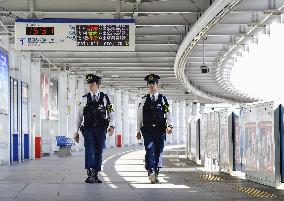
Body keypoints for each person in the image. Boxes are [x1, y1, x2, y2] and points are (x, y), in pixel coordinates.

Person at [74, 74, 115, 183]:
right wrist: (76, 131)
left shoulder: (105, 99)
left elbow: (111, 114)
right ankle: (90, 172)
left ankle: (95, 173)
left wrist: (112, 126)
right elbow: (79, 116)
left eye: (92, 84)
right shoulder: (84, 99)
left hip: (101, 130)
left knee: (99, 150)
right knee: (89, 150)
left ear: (98, 85)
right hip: (88, 129)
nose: (90, 86)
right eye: (89, 84)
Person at [136, 74, 173, 184]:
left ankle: (156, 171)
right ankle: (150, 170)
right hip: (147, 130)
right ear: (148, 85)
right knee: (149, 149)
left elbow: (168, 113)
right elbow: (139, 116)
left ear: (157, 85)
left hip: (160, 130)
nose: (152, 86)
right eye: (150, 84)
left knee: (159, 151)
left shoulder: (163, 99)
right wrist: (138, 130)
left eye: (154, 84)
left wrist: (170, 126)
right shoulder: (143, 100)